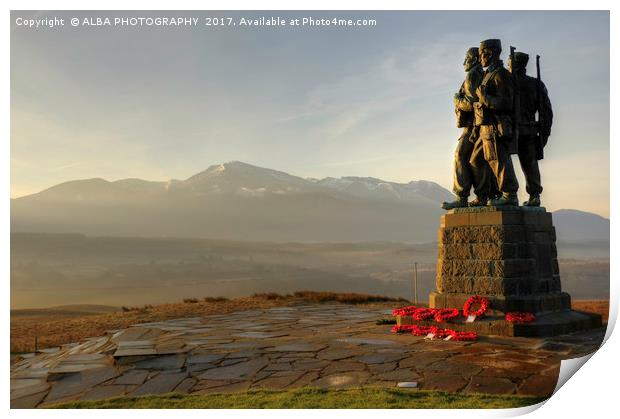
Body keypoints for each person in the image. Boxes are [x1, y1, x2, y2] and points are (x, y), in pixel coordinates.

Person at [442, 47, 496, 209]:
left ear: (473, 60)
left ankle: (462, 196)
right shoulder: (480, 74)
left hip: (473, 126)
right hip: (478, 125)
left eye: (466, 58)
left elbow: (472, 104)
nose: (464, 62)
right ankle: (482, 195)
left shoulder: (472, 75)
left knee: (461, 156)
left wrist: (457, 100)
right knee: (477, 160)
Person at [470, 38, 520, 206]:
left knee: (498, 159)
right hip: (484, 126)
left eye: (482, 55)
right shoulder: (488, 74)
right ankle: (483, 195)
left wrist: (484, 98)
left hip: (495, 125)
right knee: (476, 160)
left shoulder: (501, 74)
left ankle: (509, 194)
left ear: (489, 54)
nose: (480, 59)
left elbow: (505, 102)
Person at [508, 51, 553, 206]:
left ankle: (506, 193)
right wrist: (545, 133)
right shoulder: (536, 84)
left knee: (502, 162)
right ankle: (534, 195)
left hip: (511, 131)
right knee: (530, 164)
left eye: (509, 62)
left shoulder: (508, 83)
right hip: (530, 130)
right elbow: (546, 112)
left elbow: (545, 111)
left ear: (514, 64)